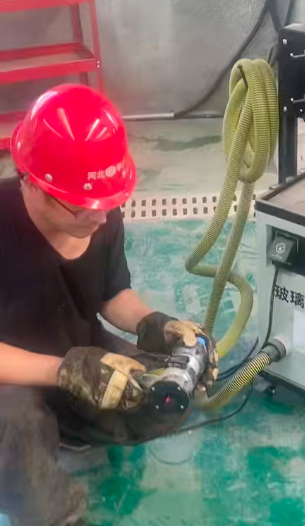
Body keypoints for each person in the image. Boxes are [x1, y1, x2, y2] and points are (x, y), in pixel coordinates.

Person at [0, 84, 218, 526]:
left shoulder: (99, 210)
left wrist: (155, 324)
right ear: (34, 184)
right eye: (82, 208)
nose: (101, 218)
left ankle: (69, 428)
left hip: (78, 350)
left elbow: (111, 294)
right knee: (18, 427)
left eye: (108, 204)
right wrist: (65, 370)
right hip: (11, 378)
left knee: (166, 393)